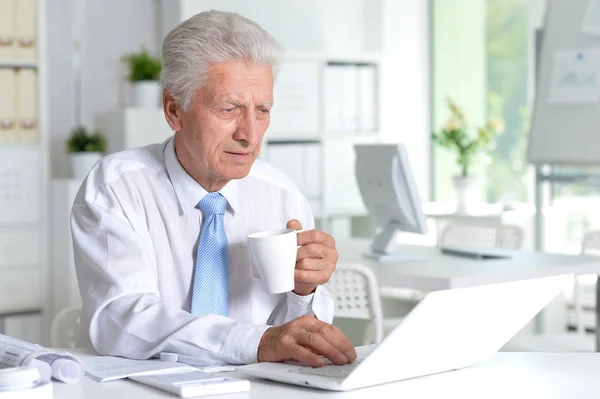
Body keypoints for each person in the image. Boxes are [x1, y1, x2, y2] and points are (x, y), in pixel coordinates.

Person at [71, 10, 356, 368]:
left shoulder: (282, 195)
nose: (249, 135)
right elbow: (123, 316)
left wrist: (305, 291)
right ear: (174, 110)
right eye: (229, 109)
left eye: (263, 110)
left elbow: (293, 340)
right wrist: (254, 340)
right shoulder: (118, 186)